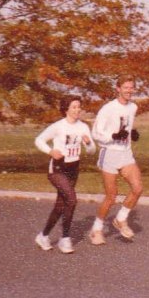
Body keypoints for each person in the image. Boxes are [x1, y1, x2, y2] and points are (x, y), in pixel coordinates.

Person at [34, 95, 95, 254]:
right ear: (66, 109)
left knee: (61, 205)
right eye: (74, 107)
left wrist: (88, 143)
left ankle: (43, 236)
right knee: (72, 200)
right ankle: (65, 238)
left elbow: (91, 151)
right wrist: (50, 151)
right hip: (58, 168)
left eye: (79, 107)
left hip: (73, 168)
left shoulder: (83, 127)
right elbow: (39, 140)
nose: (77, 110)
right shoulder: (58, 126)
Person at [89, 75, 143, 244]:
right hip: (109, 154)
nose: (129, 91)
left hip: (125, 153)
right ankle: (96, 229)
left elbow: (125, 125)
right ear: (118, 89)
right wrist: (113, 136)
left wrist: (132, 133)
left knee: (137, 188)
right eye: (126, 87)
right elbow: (96, 133)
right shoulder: (108, 108)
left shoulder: (133, 107)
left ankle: (120, 219)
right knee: (111, 197)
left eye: (131, 87)